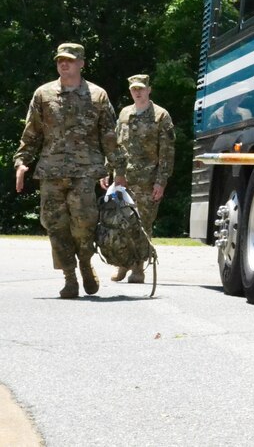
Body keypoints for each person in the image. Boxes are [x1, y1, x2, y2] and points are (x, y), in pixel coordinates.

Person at [14, 43, 127, 298]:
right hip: (51, 172)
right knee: (55, 225)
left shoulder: (97, 96)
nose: (64, 64)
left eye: (70, 60)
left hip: (85, 172)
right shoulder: (43, 94)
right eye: (60, 60)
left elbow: (110, 137)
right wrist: (21, 162)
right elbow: (31, 133)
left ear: (81, 64)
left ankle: (86, 264)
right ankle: (69, 277)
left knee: (84, 225)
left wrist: (119, 171)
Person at [102, 74, 175, 283]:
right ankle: (122, 264)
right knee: (119, 221)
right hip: (123, 179)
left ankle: (138, 268)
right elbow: (115, 145)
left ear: (149, 89)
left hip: (147, 181)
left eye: (141, 88)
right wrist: (108, 171)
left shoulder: (161, 115)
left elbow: (167, 152)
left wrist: (161, 181)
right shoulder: (125, 113)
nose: (138, 92)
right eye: (134, 88)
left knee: (142, 224)